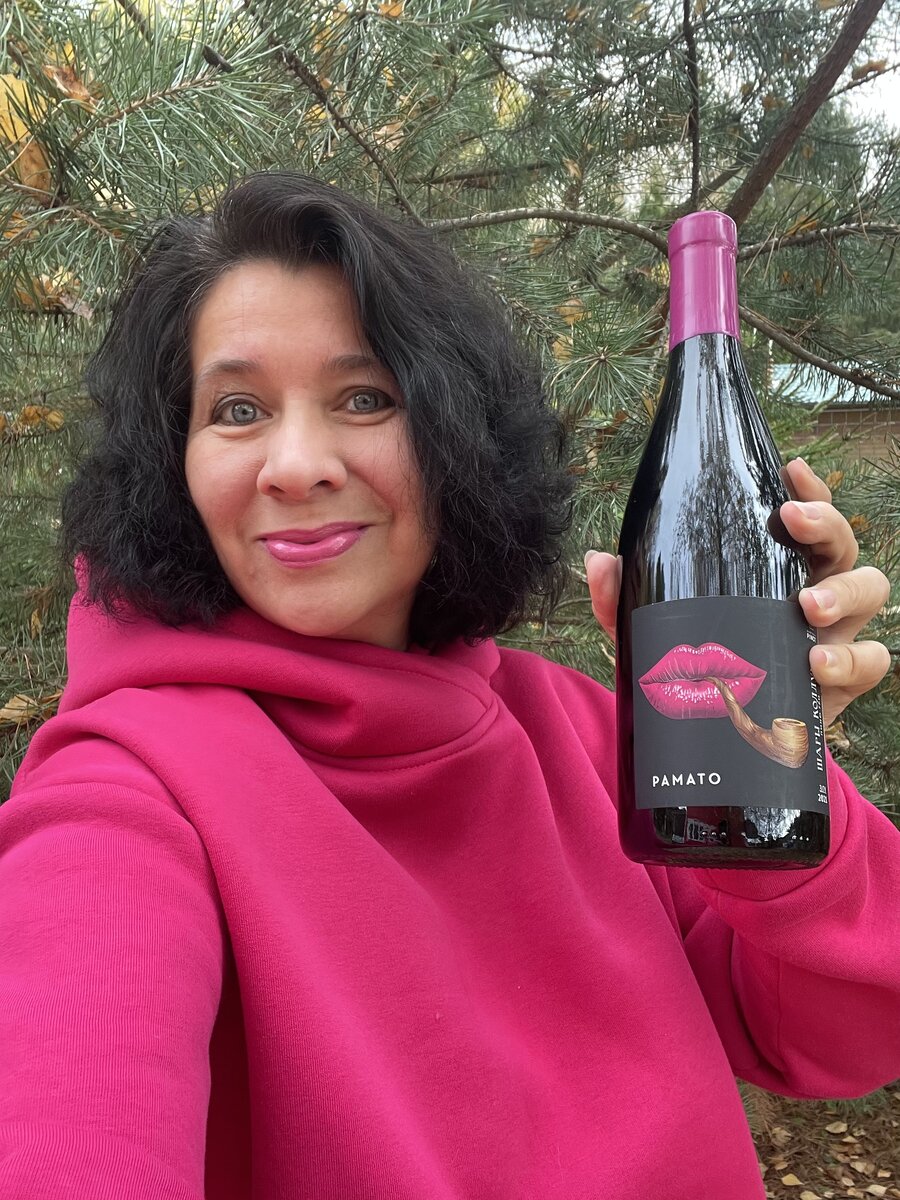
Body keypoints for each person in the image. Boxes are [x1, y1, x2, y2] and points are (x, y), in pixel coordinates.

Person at [0, 172, 897, 1200]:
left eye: (365, 397)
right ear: (175, 464)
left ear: (455, 437)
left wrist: (772, 768)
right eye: (237, 409)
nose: (296, 465)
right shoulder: (124, 793)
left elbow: (836, 1038)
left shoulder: (583, 730)